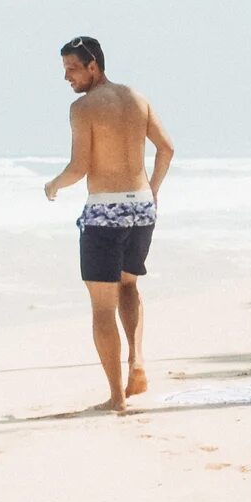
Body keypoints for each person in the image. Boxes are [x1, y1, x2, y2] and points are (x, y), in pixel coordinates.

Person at [43, 34, 175, 413]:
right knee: (129, 286)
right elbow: (167, 149)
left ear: (93, 67)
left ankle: (117, 398)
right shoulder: (137, 97)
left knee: (103, 307)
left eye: (72, 69)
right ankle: (136, 361)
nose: (67, 78)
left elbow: (79, 167)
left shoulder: (83, 108)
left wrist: (54, 184)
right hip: (141, 208)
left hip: (105, 212)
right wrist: (152, 190)